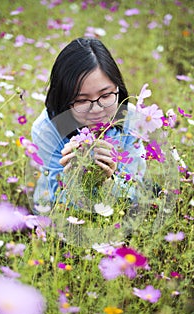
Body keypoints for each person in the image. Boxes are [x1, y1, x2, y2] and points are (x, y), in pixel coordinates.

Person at [31, 37, 146, 213]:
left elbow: (135, 188)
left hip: (117, 212)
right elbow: (55, 200)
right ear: (64, 99)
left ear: (118, 87)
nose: (97, 109)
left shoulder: (130, 118)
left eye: (106, 95)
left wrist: (109, 181)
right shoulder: (46, 129)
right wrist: (72, 178)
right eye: (82, 100)